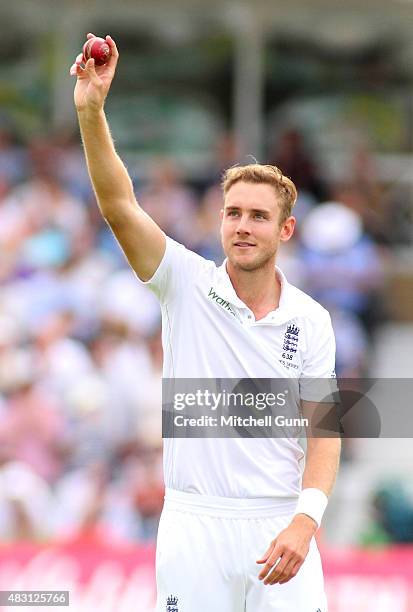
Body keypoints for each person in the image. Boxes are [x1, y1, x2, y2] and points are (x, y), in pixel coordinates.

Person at [70, 34, 341, 612]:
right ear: (220, 220)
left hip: (279, 523)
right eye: (233, 213)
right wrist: (91, 111)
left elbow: (325, 433)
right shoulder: (185, 282)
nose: (243, 226)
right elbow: (119, 205)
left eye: (259, 217)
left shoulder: (312, 321)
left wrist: (305, 519)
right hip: (195, 523)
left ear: (285, 231)